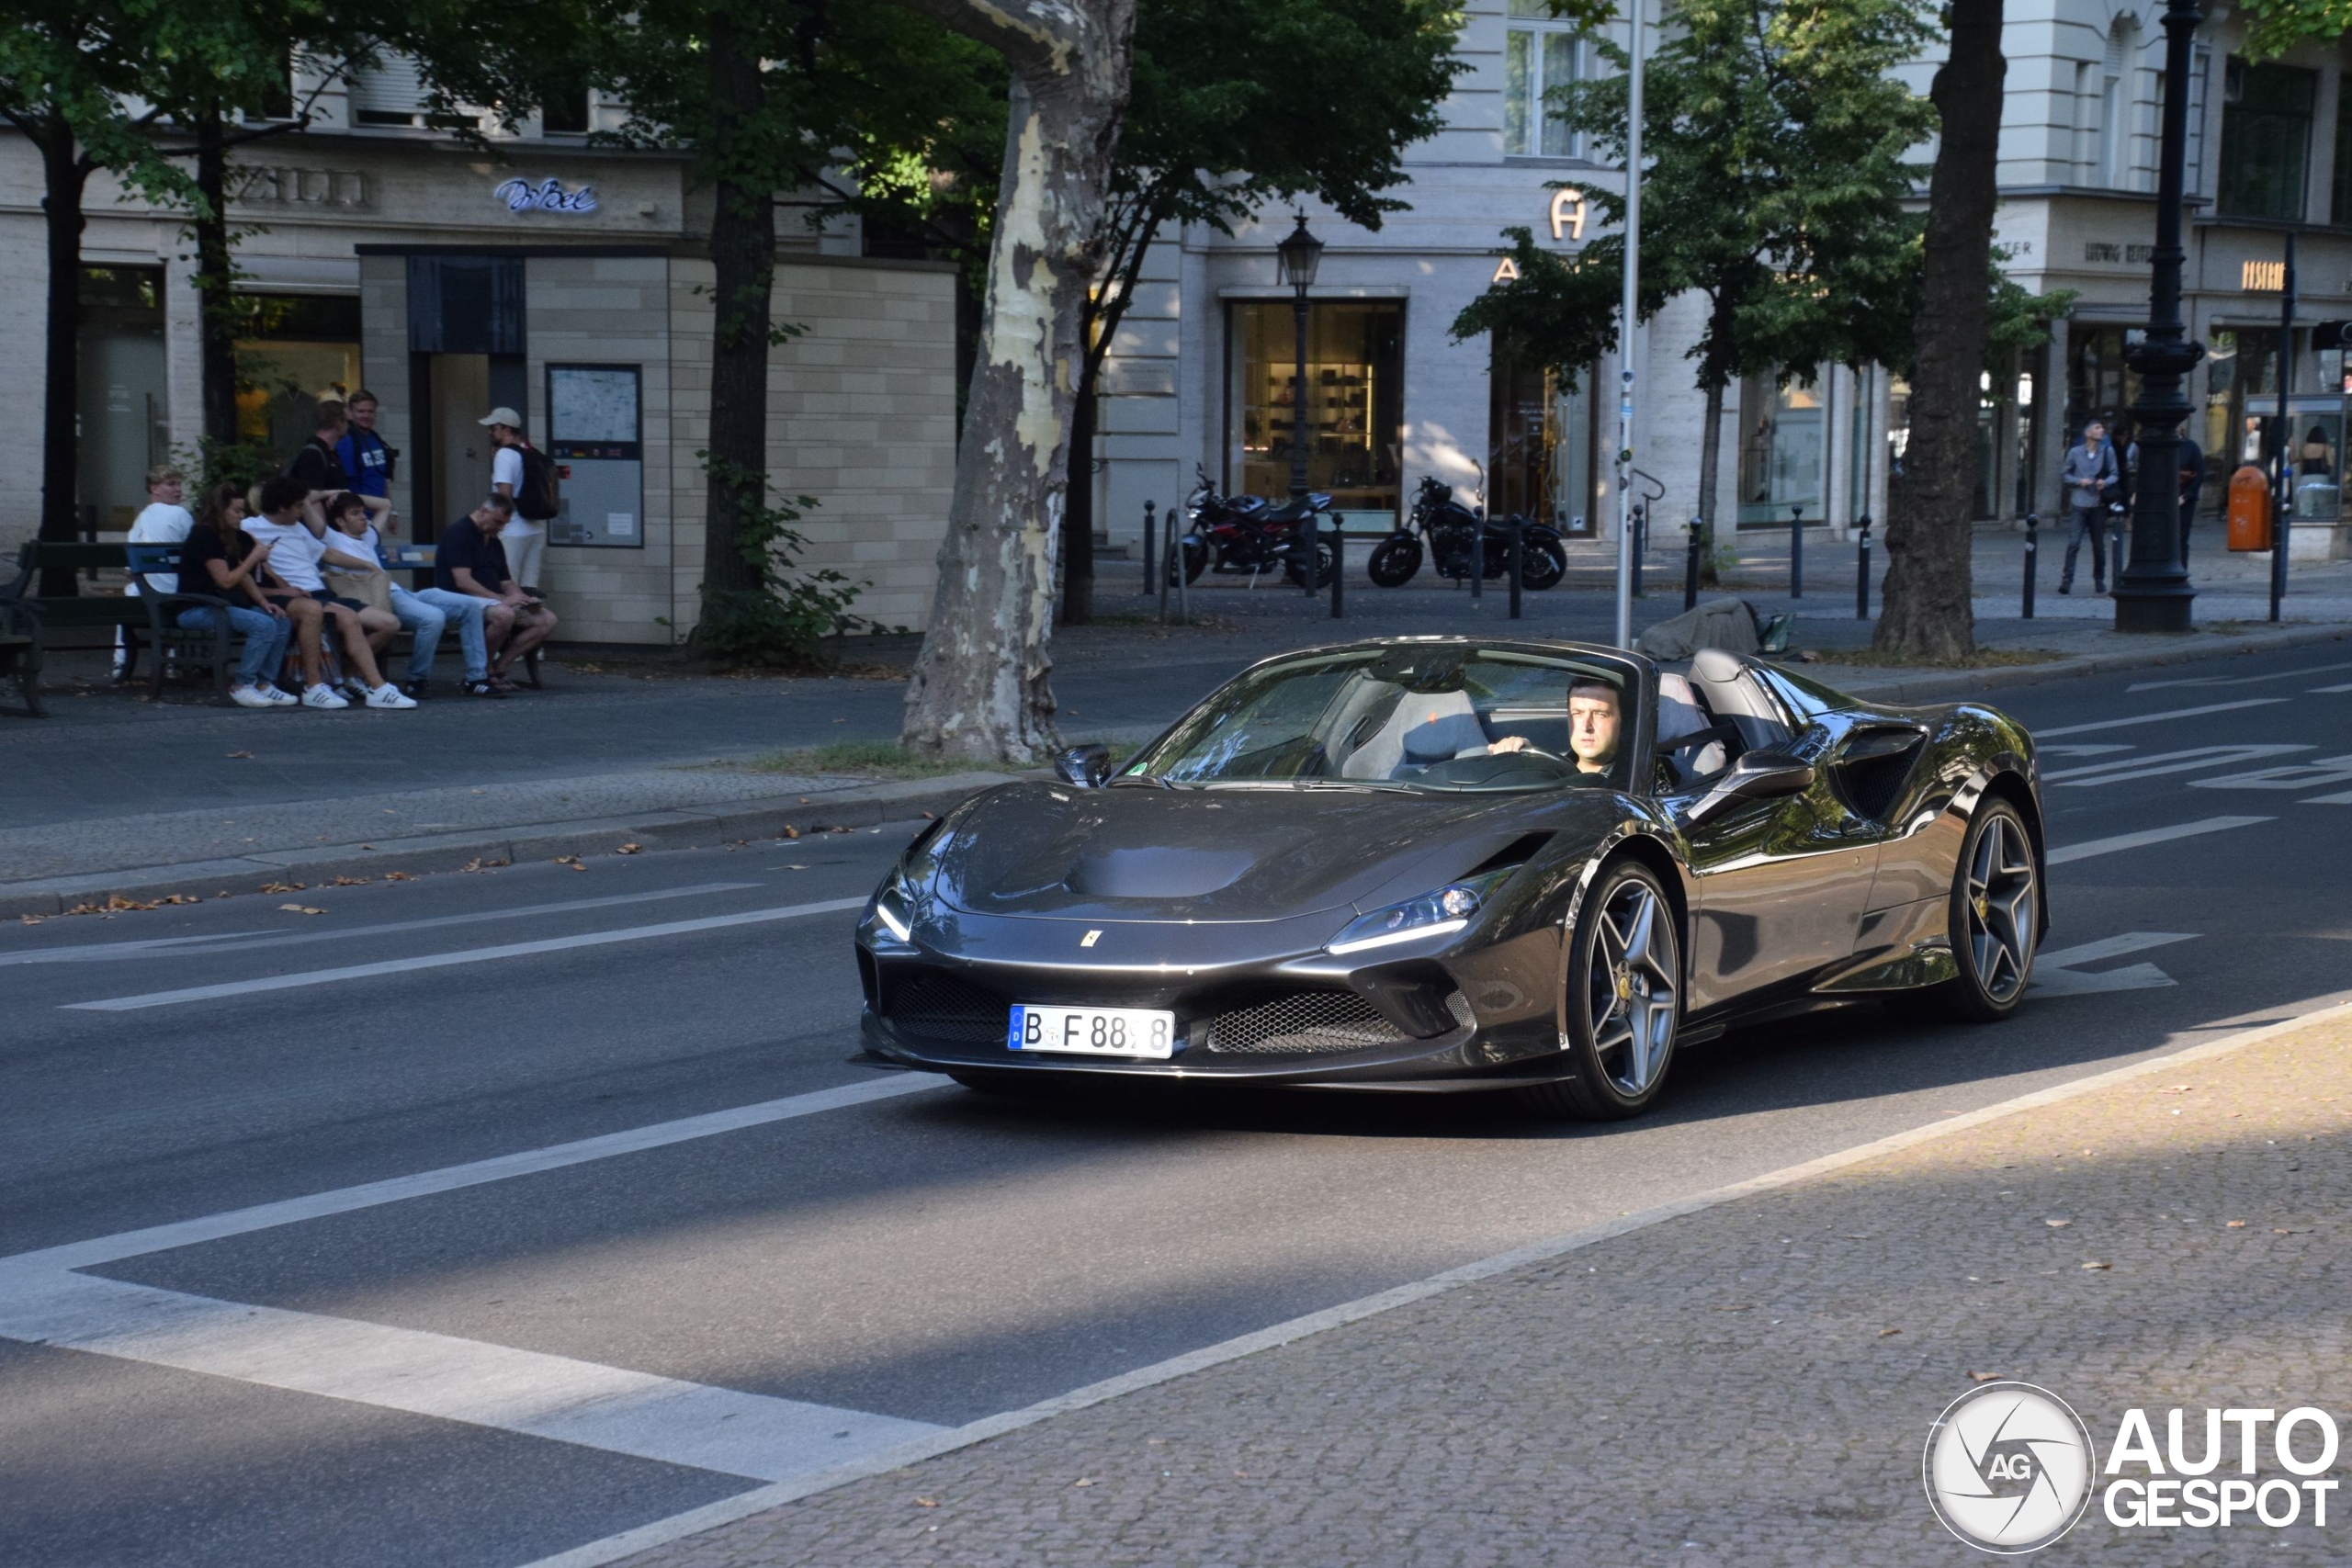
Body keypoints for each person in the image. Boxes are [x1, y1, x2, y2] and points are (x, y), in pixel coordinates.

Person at [243, 474, 415, 709]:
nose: (301, 512)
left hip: (320, 593)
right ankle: (331, 686)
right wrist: (280, 586)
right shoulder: (250, 528)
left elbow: (326, 553)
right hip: (289, 596)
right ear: (283, 507)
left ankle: (348, 674)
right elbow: (250, 565)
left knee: (388, 622)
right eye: (297, 507)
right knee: (347, 617)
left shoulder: (296, 527)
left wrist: (365, 564)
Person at [173, 481, 298, 708]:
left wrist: (264, 602)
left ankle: (264, 683)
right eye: (237, 511)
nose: (241, 516)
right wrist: (253, 558)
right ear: (221, 511)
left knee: (279, 621)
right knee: (262, 625)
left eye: (243, 511)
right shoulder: (204, 535)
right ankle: (242, 685)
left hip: (222, 606)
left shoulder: (231, 536)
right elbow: (226, 580)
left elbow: (244, 577)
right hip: (196, 608)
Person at [435, 494, 557, 692]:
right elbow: (463, 581)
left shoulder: (493, 541)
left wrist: (523, 599)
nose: (501, 528)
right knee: (503, 614)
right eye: (498, 522)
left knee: (546, 619)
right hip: (461, 599)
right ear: (483, 512)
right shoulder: (458, 534)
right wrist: (502, 599)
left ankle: (499, 669)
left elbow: (506, 581)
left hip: (493, 600)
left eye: (505, 524)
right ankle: (480, 671)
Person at [1493, 679, 1623, 776]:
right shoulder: (1551, 769)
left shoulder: (1632, 779)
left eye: (1600, 714)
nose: (1586, 726)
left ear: (1623, 719)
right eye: (1577, 713)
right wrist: (1521, 757)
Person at [481, 406, 547, 593]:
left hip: (513, 531)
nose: (491, 432)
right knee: (529, 590)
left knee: (508, 588)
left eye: (494, 428)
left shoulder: (504, 454)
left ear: (507, 429)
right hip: (535, 529)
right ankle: (531, 623)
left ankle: (512, 623)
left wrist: (493, 529)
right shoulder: (529, 451)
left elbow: (504, 498)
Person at [2059, 419, 2120, 595]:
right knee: (2074, 543)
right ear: (2088, 433)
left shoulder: (2108, 452)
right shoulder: (2075, 452)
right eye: (2098, 427)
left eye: (2102, 428)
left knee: (2098, 544)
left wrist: (2105, 482)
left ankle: (2099, 579)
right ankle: (2067, 579)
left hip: (2098, 504)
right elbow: (2064, 474)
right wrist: (2080, 481)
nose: (2102, 430)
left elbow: (2116, 474)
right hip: (2079, 502)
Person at [334, 389, 398, 532]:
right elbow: (343, 485)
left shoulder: (375, 438)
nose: (366, 416)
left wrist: (391, 511)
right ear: (350, 413)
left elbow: (381, 478)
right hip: (356, 519)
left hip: (377, 516)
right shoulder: (347, 441)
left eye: (370, 411)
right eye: (361, 411)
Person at [287, 400, 356, 507]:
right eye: (346, 421)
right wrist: (321, 524)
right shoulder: (312, 454)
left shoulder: (331, 453)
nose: (348, 426)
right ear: (337, 422)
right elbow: (312, 498)